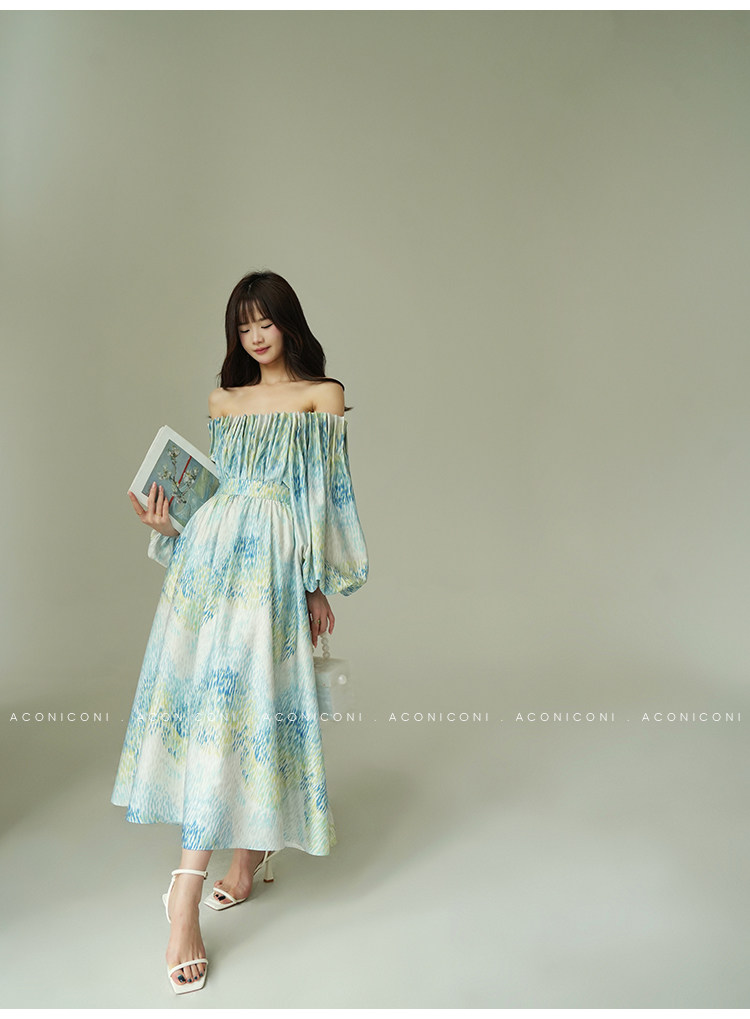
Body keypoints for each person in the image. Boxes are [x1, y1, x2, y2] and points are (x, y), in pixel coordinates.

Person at [111, 270, 369, 994]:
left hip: (275, 567)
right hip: (210, 562)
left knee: (254, 708)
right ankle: (192, 892)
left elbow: (327, 494)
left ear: (288, 323)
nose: (255, 336)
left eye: (266, 322)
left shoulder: (322, 396)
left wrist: (316, 583)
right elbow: (215, 491)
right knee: (217, 711)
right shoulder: (223, 400)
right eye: (243, 325)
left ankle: (232, 866)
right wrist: (170, 524)